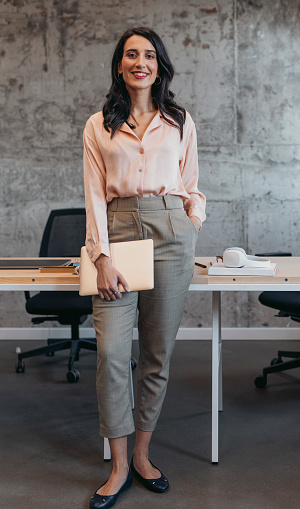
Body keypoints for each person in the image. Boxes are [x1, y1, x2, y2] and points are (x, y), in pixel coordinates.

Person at [83, 27, 206, 509]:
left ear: (159, 66)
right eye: (131, 54)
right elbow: (93, 194)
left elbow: (192, 183)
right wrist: (102, 255)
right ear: (119, 65)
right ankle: (116, 468)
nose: (141, 62)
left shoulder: (179, 121)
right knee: (113, 353)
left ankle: (141, 454)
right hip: (118, 232)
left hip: (171, 232)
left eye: (149, 55)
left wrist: (190, 222)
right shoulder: (98, 125)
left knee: (156, 354)